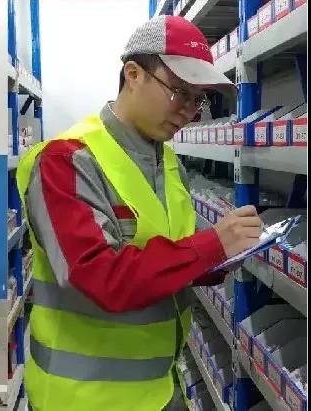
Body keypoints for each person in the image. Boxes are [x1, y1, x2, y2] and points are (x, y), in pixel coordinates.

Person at [16, 16, 262, 411]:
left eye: (198, 100)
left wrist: (219, 259)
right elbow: (99, 278)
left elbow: (164, 252)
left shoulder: (168, 162)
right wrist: (211, 245)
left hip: (159, 388)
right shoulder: (66, 161)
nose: (188, 112)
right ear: (133, 74)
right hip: (83, 398)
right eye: (179, 93)